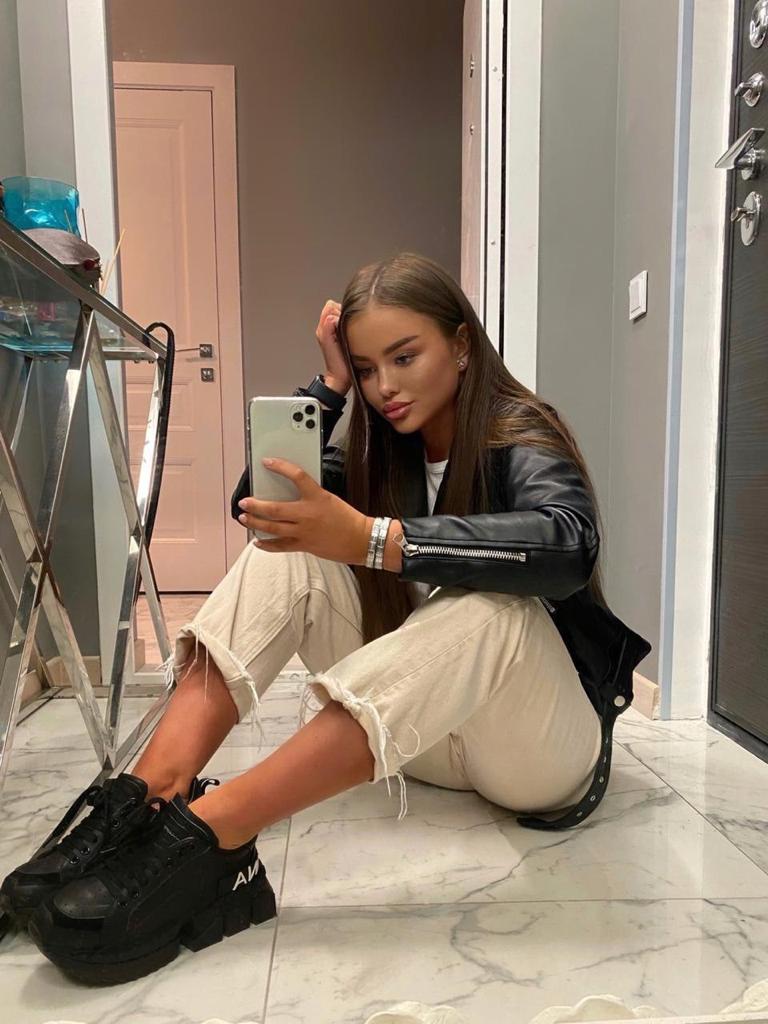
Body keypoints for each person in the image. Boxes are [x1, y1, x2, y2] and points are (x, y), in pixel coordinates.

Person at [2, 252, 649, 985]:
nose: (386, 386)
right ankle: (144, 800)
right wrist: (328, 389)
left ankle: (213, 835)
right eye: (368, 369)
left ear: (462, 345)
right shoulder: (383, 451)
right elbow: (257, 506)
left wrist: (376, 539)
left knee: (493, 608)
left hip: (538, 756)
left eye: (404, 357)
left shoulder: (519, 430)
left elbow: (567, 543)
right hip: (425, 737)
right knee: (287, 553)